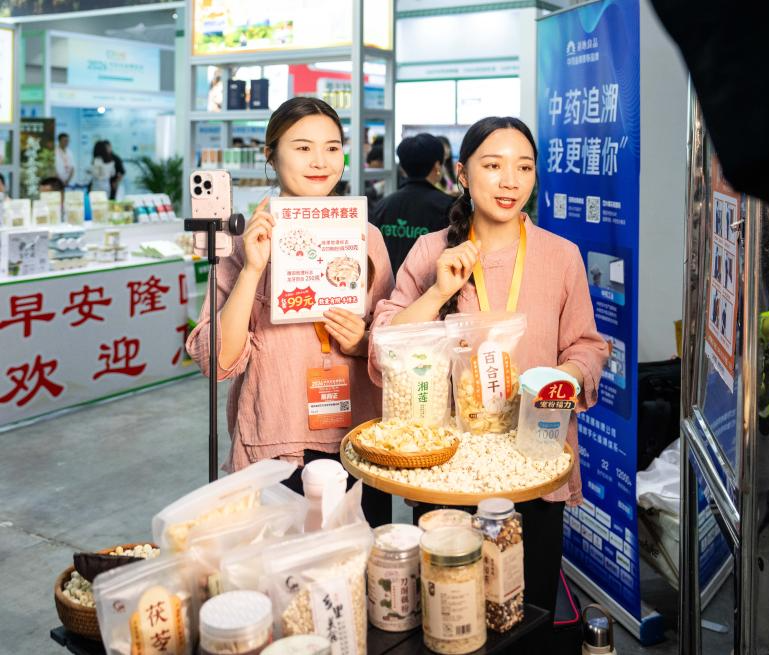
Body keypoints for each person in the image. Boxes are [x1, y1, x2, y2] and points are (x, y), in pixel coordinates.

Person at [369, 116, 609, 623]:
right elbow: (386, 346)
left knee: (531, 606)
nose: (510, 181)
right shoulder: (432, 250)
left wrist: (563, 377)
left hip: (534, 458)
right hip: (447, 465)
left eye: (524, 167)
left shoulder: (561, 256)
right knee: (450, 605)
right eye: (493, 165)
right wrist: (438, 291)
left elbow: (588, 346)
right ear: (461, 173)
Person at [186, 97, 396, 527]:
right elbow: (218, 362)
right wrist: (253, 269)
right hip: (278, 441)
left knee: (361, 569)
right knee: (285, 575)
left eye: (332, 147)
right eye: (302, 147)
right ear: (271, 155)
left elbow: (392, 341)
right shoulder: (241, 241)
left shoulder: (367, 235)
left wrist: (362, 343)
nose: (320, 161)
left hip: (360, 438)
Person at [370, 133, 453, 274]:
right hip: (431, 291)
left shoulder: (382, 206)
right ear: (437, 165)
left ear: (402, 167)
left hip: (386, 292)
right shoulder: (447, 206)